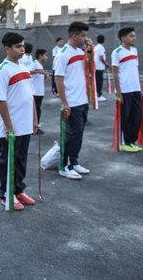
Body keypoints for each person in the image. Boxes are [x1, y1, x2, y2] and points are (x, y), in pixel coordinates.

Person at [0, 32, 38, 210]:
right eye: (18, 47)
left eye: (23, 46)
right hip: (11, 126)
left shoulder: (24, 68)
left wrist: (35, 119)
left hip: (25, 124)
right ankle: (6, 193)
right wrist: (9, 127)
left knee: (21, 159)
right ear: (7, 49)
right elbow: (0, 100)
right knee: (8, 160)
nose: (23, 49)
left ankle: (18, 189)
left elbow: (31, 95)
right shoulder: (2, 70)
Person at [54, 22, 93, 180]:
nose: (86, 38)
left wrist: (89, 52)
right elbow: (58, 79)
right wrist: (64, 103)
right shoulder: (63, 54)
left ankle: (74, 161)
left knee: (79, 133)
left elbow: (88, 68)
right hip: (72, 102)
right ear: (75, 36)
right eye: (83, 35)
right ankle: (64, 165)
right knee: (71, 134)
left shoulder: (80, 51)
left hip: (82, 99)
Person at [111, 27, 143, 152]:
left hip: (135, 89)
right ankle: (125, 142)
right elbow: (115, 73)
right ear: (123, 38)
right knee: (126, 116)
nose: (134, 38)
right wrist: (118, 92)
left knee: (137, 116)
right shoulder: (117, 52)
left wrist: (139, 88)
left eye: (134, 35)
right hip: (124, 90)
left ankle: (131, 141)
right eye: (131, 36)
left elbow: (135, 70)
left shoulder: (134, 50)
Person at [30, 49, 49, 130]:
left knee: (38, 111)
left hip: (40, 92)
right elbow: (27, 71)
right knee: (35, 111)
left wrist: (44, 75)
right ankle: (33, 127)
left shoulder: (40, 65)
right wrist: (39, 72)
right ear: (40, 56)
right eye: (45, 55)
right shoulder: (35, 63)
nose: (47, 57)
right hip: (35, 92)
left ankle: (36, 127)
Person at [94, 35, 109, 102]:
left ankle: (96, 94)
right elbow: (101, 57)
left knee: (97, 81)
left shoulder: (96, 47)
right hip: (99, 67)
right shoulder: (101, 47)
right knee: (99, 82)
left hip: (96, 66)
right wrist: (106, 63)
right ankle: (98, 95)